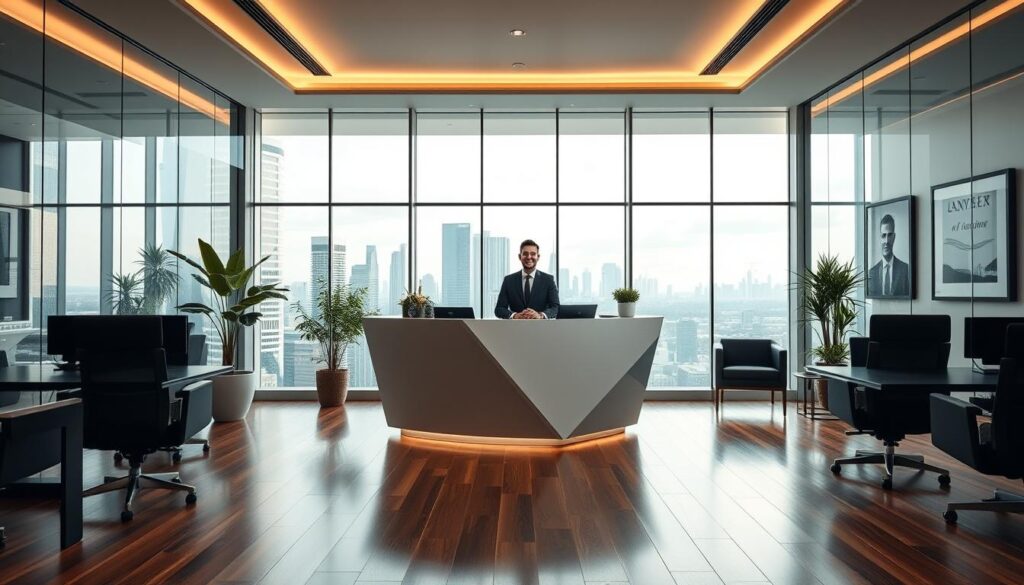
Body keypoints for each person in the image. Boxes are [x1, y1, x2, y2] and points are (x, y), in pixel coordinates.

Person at [494, 239, 560, 319]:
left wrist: (540, 315)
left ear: (538, 257)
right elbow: (499, 309)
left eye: (533, 254)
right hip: (515, 329)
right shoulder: (508, 280)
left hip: (541, 329)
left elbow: (556, 308)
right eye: (525, 254)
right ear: (520, 257)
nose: (529, 257)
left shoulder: (548, 280)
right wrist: (515, 315)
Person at [868, 213, 910, 297]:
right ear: (880, 238)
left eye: (889, 235)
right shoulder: (872, 272)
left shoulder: (905, 269)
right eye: (883, 235)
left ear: (894, 237)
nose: (886, 241)